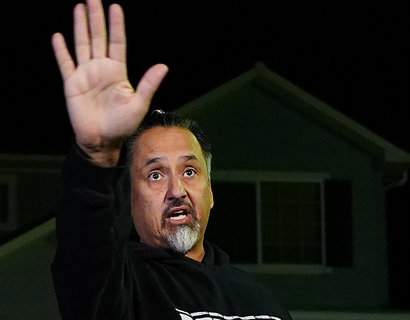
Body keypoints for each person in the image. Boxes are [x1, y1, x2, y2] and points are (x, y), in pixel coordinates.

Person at [49, 1, 293, 319]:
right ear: (131, 200)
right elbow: (85, 240)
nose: (176, 189)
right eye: (155, 175)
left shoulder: (260, 301)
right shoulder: (117, 285)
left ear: (211, 192)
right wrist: (97, 153)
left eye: (189, 171)